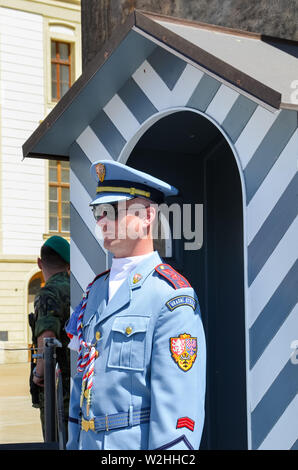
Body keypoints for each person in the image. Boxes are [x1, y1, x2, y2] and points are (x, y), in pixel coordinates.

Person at [66, 160, 206, 450]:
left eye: (113, 210)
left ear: (147, 216)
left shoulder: (171, 296)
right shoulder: (94, 293)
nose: (102, 221)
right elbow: (80, 387)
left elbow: (178, 408)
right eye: (98, 212)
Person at [31, 235, 71, 439]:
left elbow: (48, 338)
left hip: (57, 391)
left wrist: (39, 374)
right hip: (78, 386)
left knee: (55, 440)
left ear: (40, 263)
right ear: (69, 264)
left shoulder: (48, 293)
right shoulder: (80, 288)